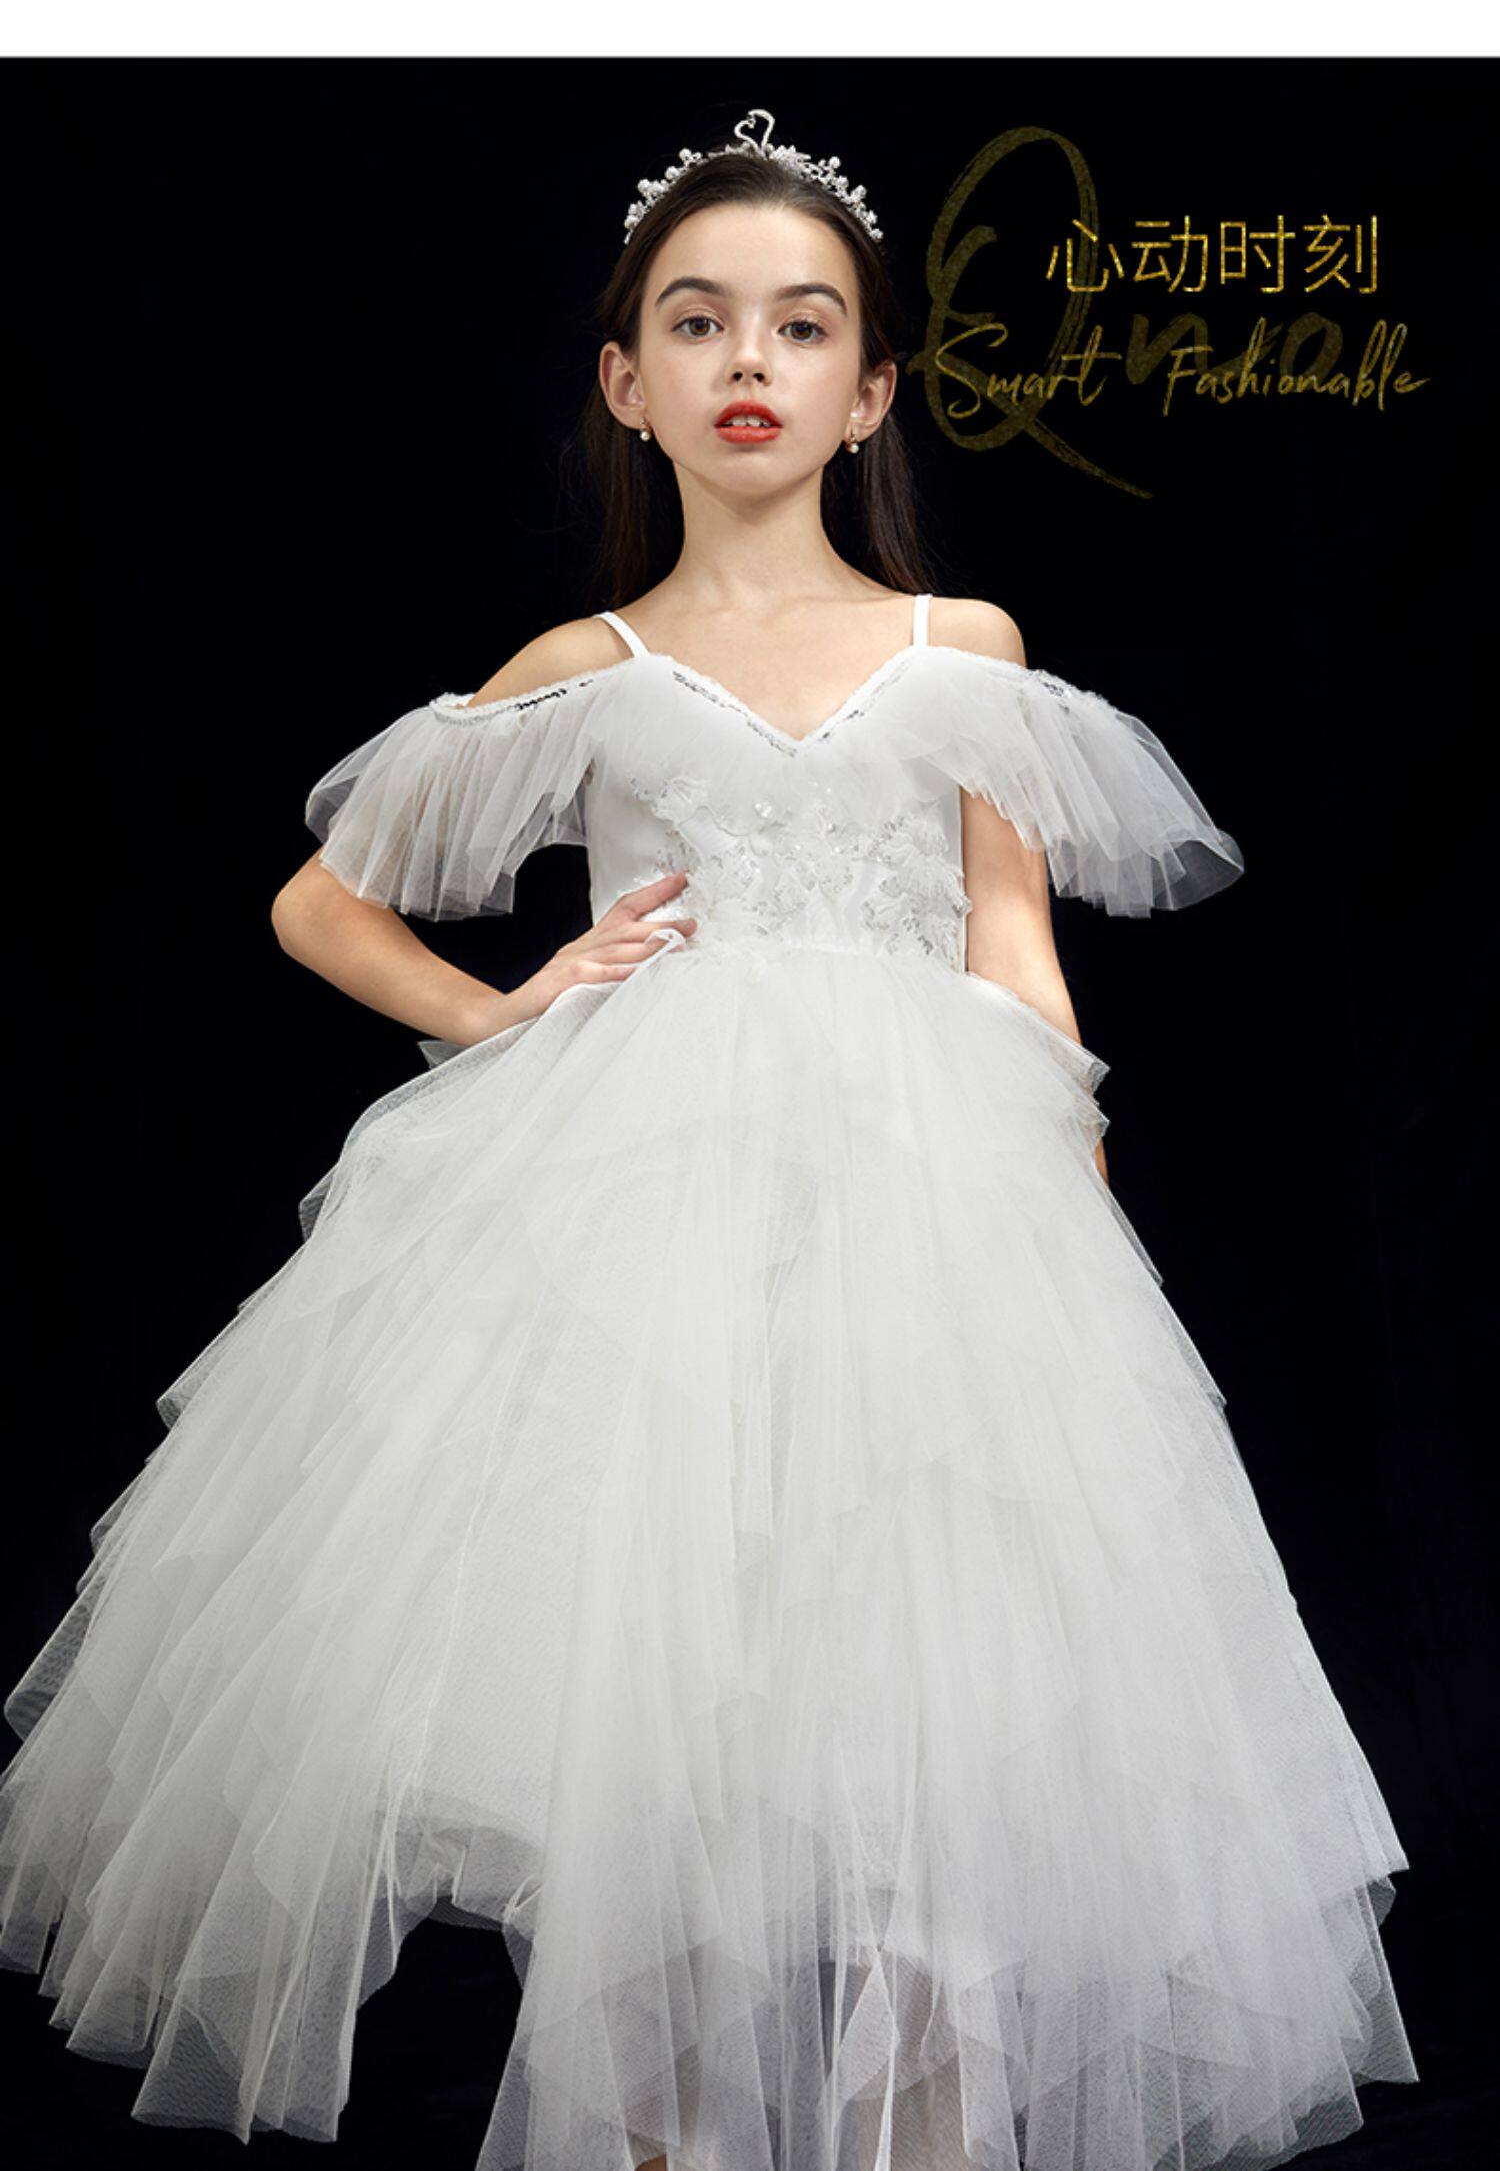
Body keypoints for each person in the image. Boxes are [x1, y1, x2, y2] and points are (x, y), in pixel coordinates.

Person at [0, 109, 1417, 2171]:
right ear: (626, 380)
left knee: (932, 1689)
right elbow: (321, 900)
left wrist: (1064, 1192)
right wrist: (505, 1011)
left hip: (928, 1202)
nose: (750, 357)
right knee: (657, 1691)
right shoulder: (589, 671)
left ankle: (922, 2136)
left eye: (803, 323)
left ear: (872, 392)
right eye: (698, 319)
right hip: (645, 1225)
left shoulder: (965, 650)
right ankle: (668, 2135)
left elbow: (1013, 936)